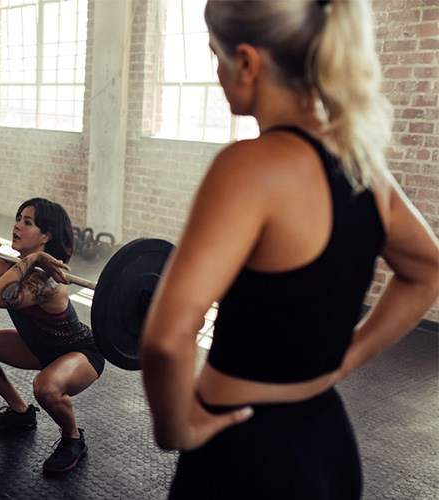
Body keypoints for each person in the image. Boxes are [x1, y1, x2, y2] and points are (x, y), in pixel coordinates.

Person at [139, 1, 439, 498]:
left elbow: (166, 339)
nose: (216, 72)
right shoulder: (363, 168)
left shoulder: (249, 166)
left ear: (249, 63)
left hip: (242, 456)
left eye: (216, 54)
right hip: (326, 443)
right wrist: (347, 357)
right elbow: (428, 269)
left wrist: (176, 430)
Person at [0, 198, 105, 473]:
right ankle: (20, 413)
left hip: (80, 353)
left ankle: (73, 437)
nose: (16, 226)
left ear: (45, 236)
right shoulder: (5, 267)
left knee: (45, 388)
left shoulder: (47, 282)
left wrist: (35, 259)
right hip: (37, 346)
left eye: (27, 222)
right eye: (18, 218)